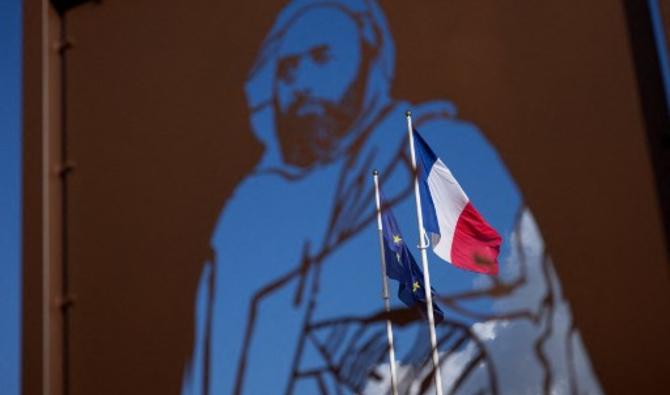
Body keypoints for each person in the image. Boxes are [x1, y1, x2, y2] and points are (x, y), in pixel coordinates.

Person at [182, 1, 602, 394]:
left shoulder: (439, 146)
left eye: (323, 59)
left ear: (369, 63)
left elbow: (500, 276)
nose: (302, 85)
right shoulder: (251, 206)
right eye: (288, 69)